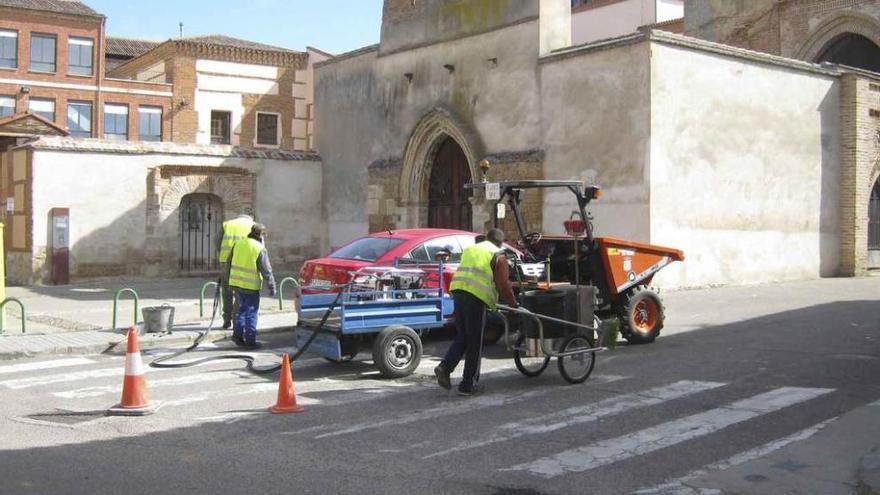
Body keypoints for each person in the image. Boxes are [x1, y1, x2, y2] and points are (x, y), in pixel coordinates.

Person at [435, 228, 518, 396]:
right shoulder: (498, 254)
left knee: (463, 335)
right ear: (499, 243)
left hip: (458, 292)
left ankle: (445, 367)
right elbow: (503, 286)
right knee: (475, 341)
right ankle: (467, 385)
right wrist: (514, 306)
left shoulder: (471, 249)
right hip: (476, 297)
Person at [227, 223, 277, 349]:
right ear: (261, 235)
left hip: (236, 284)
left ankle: (237, 335)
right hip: (250, 286)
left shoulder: (238, 244)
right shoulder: (259, 248)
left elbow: (228, 264)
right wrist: (272, 286)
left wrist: (228, 282)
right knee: (251, 312)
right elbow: (266, 270)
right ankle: (250, 341)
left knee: (241, 311)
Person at [217, 214, 255, 329]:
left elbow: (217, 241)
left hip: (225, 263)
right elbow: (259, 246)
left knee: (226, 292)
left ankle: (226, 320)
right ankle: (236, 320)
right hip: (244, 263)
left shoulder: (227, 224)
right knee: (240, 293)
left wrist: (222, 255)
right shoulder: (253, 226)